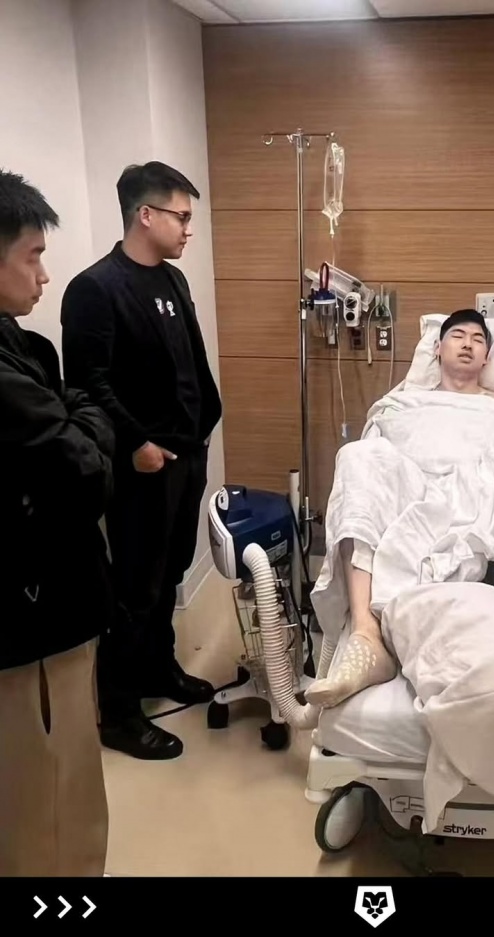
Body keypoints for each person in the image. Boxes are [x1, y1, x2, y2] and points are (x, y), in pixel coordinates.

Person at [306, 309, 494, 748]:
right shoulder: (404, 402)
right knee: (357, 457)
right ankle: (368, 635)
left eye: (478, 339)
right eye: (457, 336)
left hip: (487, 504)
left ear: (487, 358)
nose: (467, 343)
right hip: (413, 494)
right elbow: (381, 461)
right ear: (437, 349)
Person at [61, 162, 222, 761]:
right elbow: (87, 383)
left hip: (186, 453)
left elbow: (188, 364)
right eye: (182, 216)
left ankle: (159, 668)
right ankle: (120, 712)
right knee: (134, 586)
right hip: (144, 464)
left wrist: (204, 426)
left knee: (170, 572)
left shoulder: (172, 280)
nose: (188, 229)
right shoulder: (95, 289)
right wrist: (136, 443)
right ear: (145, 215)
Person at [0, 170, 112, 875]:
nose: (44, 275)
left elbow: (69, 411)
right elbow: (87, 469)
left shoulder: (21, 346)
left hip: (41, 609)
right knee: (49, 789)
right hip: (32, 621)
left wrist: (74, 409)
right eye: (33, 256)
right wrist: (84, 412)